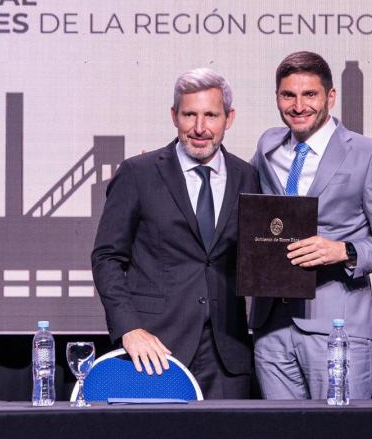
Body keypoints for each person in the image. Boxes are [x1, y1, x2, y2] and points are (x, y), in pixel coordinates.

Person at [249, 51, 372, 399]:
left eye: (310, 94)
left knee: (343, 431)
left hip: (337, 330)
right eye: (287, 95)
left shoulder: (369, 154)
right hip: (270, 327)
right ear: (277, 97)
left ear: (330, 97)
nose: (298, 105)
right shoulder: (267, 147)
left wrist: (344, 250)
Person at [92, 68, 259, 399]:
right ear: (174, 116)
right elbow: (106, 257)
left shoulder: (248, 177)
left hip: (228, 354)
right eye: (189, 115)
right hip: (154, 348)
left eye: (211, 115)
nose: (200, 128)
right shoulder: (139, 173)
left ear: (229, 118)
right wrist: (129, 329)